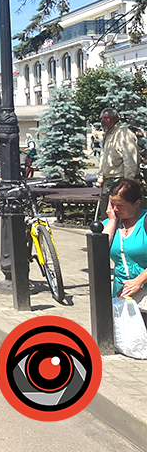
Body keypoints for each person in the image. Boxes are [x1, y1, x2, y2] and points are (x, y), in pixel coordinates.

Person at [104, 179, 147, 314]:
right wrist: (112, 220)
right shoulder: (111, 224)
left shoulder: (145, 221)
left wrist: (139, 281)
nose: (115, 209)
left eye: (120, 205)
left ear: (137, 203)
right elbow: (99, 251)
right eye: (113, 204)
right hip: (121, 294)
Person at [98, 108, 142, 222]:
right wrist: (101, 177)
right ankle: (111, 237)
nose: (103, 121)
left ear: (115, 118)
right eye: (101, 118)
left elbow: (130, 159)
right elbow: (105, 158)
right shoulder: (108, 134)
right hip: (109, 180)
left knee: (121, 214)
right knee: (109, 215)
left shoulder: (124, 134)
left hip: (120, 180)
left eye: (106, 118)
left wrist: (127, 183)